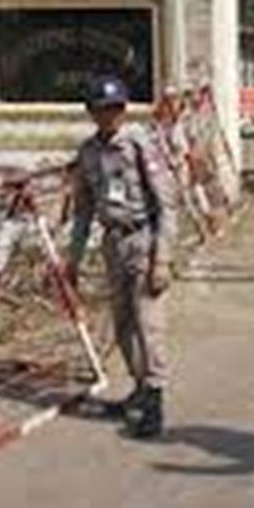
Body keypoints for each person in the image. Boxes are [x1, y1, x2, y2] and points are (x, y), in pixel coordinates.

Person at [67, 75, 177, 439]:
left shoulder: (139, 145)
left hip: (143, 241)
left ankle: (155, 401)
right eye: (103, 109)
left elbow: (167, 204)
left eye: (116, 108)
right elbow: (83, 211)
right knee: (123, 324)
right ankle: (140, 388)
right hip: (113, 244)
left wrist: (162, 259)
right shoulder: (88, 153)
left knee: (149, 324)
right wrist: (73, 260)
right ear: (91, 112)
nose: (110, 115)